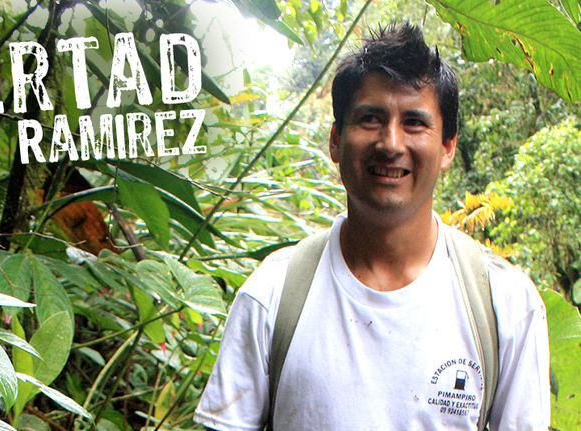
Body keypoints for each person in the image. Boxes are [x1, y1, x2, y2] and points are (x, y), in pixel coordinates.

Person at [194, 23, 550, 430]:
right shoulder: (273, 295)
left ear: (448, 147)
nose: (391, 143)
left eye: (414, 123)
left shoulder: (506, 306)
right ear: (335, 140)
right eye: (370, 119)